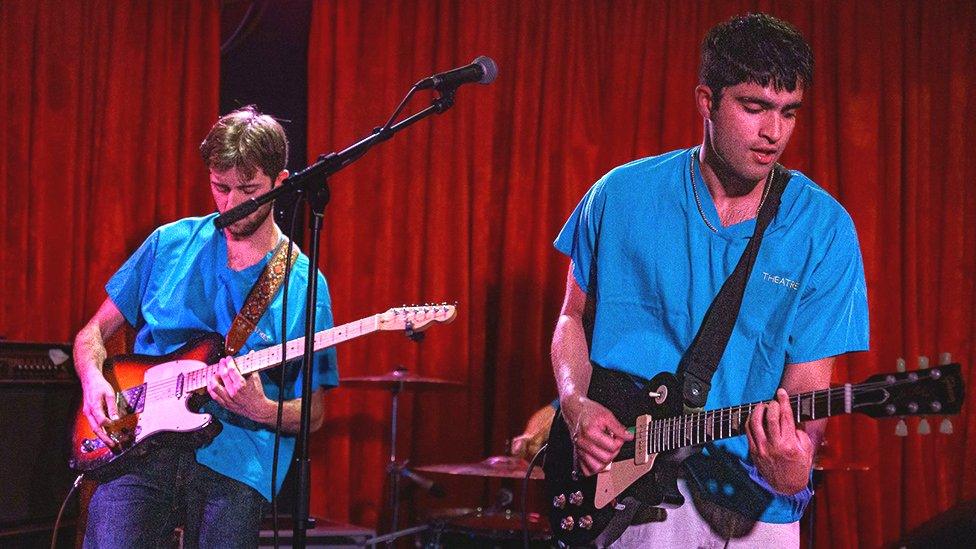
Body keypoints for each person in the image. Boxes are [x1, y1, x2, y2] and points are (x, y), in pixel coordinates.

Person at [551, 13, 869, 547]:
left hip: (750, 505)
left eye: (789, 113)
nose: (774, 133)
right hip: (624, 497)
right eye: (754, 108)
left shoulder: (823, 229)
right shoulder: (619, 196)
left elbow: (808, 396)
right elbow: (570, 318)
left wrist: (795, 465)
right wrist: (574, 403)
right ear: (706, 101)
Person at [74, 106, 339, 548]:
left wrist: (259, 408)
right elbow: (91, 336)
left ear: (281, 181)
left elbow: (313, 415)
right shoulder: (168, 243)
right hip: (139, 448)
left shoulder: (305, 285)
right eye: (221, 188)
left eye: (248, 190)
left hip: (234, 463)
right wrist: (90, 382)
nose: (232, 204)